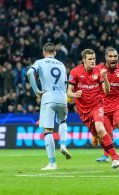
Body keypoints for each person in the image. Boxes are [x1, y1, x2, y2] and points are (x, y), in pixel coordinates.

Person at [67, 49, 119, 170]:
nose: (93, 61)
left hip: (97, 105)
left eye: (94, 59)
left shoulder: (99, 71)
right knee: (99, 137)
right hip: (83, 110)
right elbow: (68, 92)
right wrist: (74, 95)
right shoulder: (75, 71)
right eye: (90, 59)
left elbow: (107, 91)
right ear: (84, 60)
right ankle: (116, 155)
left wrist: (105, 77)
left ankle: (114, 158)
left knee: (100, 128)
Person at [26, 42, 71, 170]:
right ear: (55, 53)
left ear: (44, 52)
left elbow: (29, 73)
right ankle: (63, 144)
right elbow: (65, 83)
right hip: (62, 97)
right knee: (63, 121)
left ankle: (52, 163)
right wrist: (65, 100)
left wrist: (36, 91)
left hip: (48, 97)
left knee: (48, 130)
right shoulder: (62, 65)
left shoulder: (40, 62)